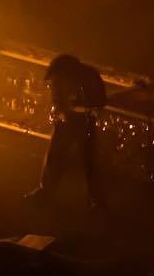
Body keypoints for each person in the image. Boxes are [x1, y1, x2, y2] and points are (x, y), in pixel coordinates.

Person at [25, 54, 107, 212]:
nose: (55, 82)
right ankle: (45, 192)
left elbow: (100, 100)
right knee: (54, 156)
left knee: (89, 160)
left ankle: (96, 200)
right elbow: (57, 99)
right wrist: (62, 110)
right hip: (65, 121)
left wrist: (84, 107)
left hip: (85, 121)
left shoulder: (89, 76)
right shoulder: (59, 79)